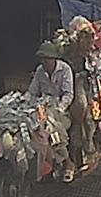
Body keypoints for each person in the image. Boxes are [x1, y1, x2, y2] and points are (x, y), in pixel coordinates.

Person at [29, 41, 76, 182]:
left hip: (61, 110)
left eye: (47, 59)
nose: (44, 62)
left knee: (53, 128)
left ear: (54, 59)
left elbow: (68, 95)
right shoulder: (40, 71)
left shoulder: (65, 69)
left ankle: (68, 162)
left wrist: (59, 109)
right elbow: (32, 92)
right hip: (42, 108)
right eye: (42, 59)